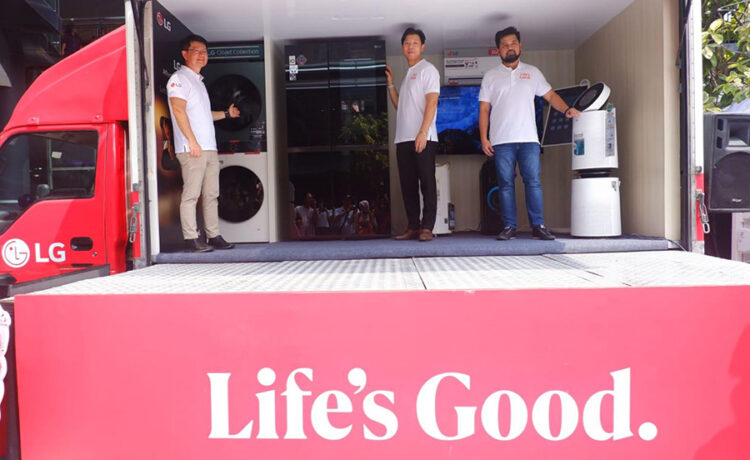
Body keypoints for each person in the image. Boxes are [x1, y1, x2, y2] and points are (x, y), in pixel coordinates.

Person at [479, 26, 581, 241]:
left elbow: (550, 96)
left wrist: (566, 109)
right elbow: (484, 109)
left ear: (520, 46)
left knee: (533, 182)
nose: (510, 47)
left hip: (529, 140)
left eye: (513, 43)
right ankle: (509, 227)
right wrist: (484, 138)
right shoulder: (490, 76)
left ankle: (538, 226)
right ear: (498, 50)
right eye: (505, 45)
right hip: (501, 140)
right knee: (505, 184)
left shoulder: (533, 72)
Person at [167, 34, 240, 252]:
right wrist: (192, 142)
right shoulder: (179, 78)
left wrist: (226, 114)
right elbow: (178, 111)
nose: (202, 55)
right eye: (196, 51)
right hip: (193, 149)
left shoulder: (198, 81)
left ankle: (213, 235)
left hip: (209, 148)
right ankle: (191, 238)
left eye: (205, 52)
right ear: (185, 54)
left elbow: (204, 115)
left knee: (211, 195)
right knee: (191, 195)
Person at [385, 27, 440, 242]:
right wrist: (391, 84)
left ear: (422, 46)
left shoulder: (428, 70)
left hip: (423, 137)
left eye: (415, 43)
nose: (410, 46)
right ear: (402, 47)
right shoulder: (409, 74)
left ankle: (427, 227)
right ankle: (413, 226)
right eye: (407, 43)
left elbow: (432, 102)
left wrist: (423, 132)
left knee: (426, 183)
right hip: (403, 138)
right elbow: (401, 106)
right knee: (408, 185)